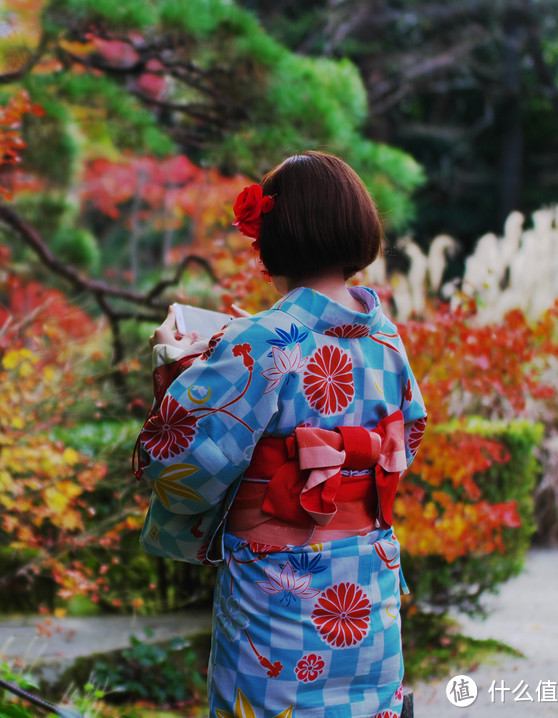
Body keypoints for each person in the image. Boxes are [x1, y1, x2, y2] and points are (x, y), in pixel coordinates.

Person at [133, 151, 427, 717]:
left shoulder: (263, 340)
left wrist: (177, 376)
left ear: (275, 236)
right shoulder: (386, 338)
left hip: (279, 591)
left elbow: (178, 462)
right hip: (366, 585)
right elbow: (403, 444)